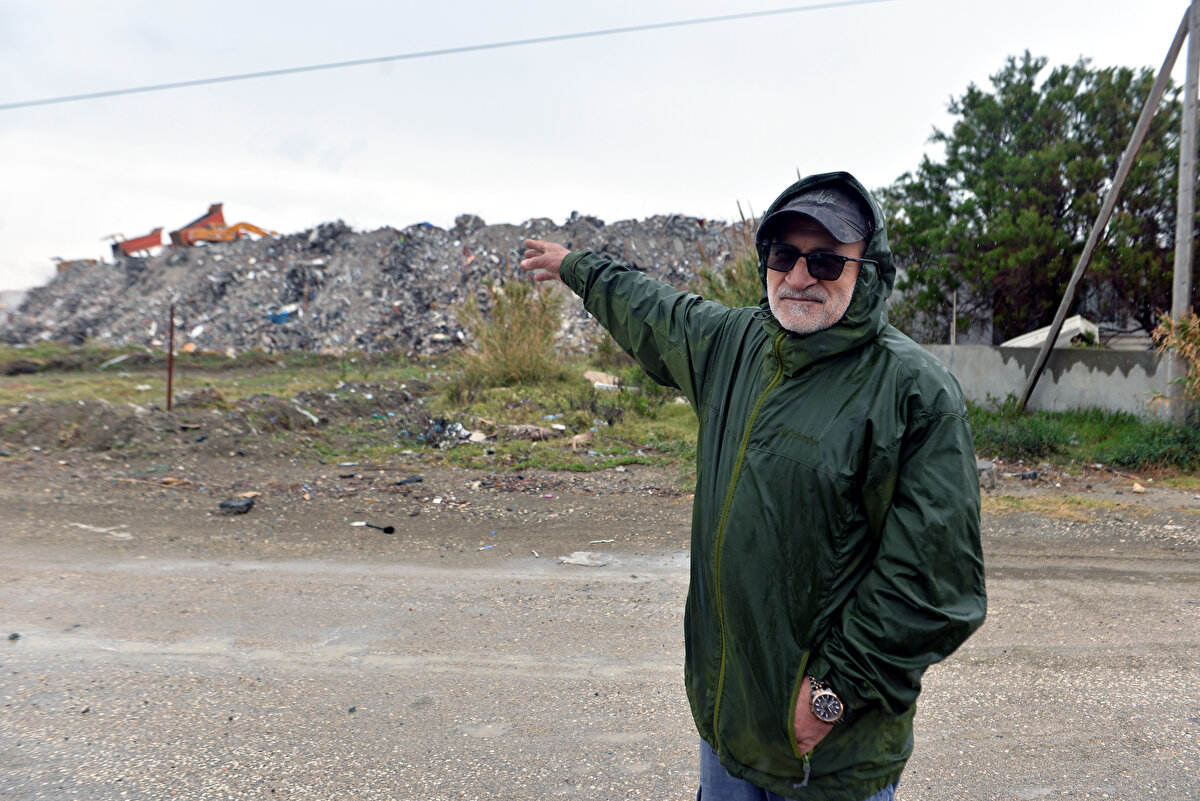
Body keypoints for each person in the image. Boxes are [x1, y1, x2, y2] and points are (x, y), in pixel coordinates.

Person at [520, 171, 986, 801]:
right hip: (730, 725)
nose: (799, 277)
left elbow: (935, 586)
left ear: (867, 269)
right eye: (783, 255)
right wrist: (578, 267)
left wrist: (830, 696)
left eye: (825, 260)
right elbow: (653, 310)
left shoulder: (913, 392)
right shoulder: (736, 345)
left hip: (830, 752)